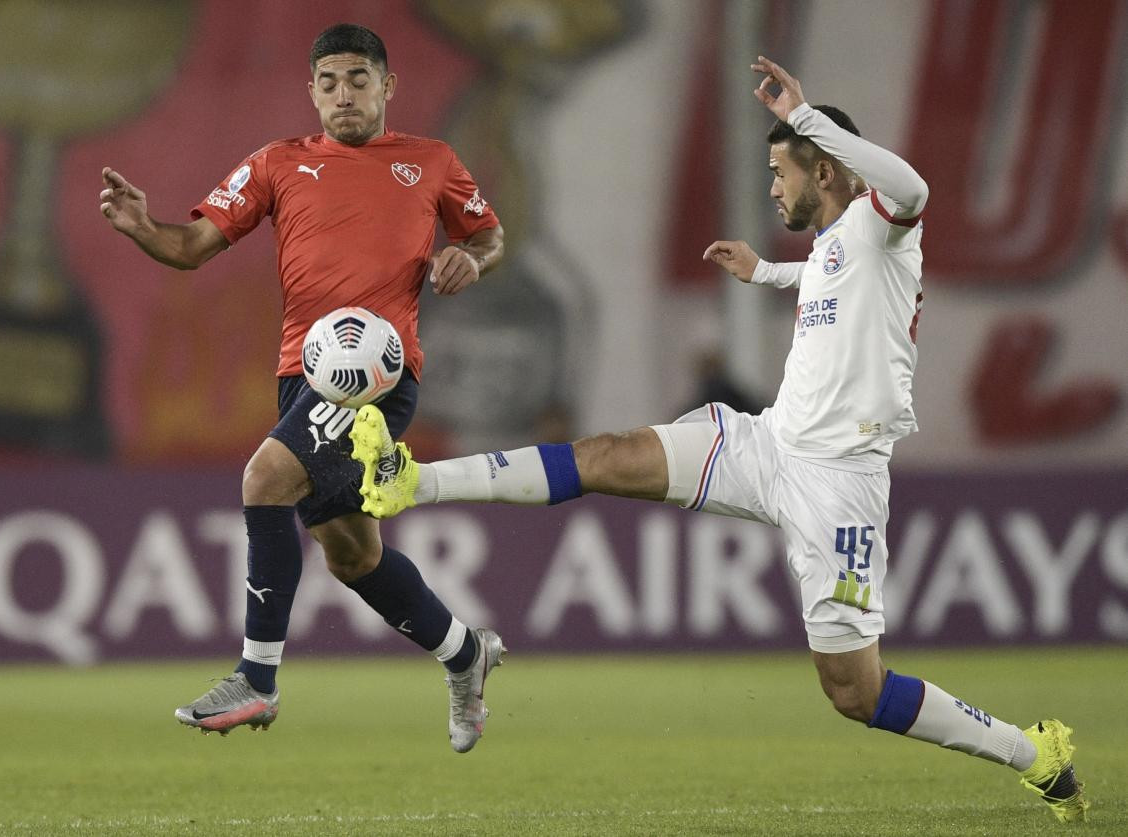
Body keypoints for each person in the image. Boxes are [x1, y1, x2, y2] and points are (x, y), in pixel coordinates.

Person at [349, 56, 1088, 820]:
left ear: (825, 168)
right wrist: (768, 270)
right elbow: (826, 276)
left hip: (840, 481)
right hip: (765, 445)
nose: (773, 186)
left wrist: (806, 118)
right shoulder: (839, 244)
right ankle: (414, 479)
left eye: (782, 170)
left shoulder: (882, 221)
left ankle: (1033, 751)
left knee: (853, 691)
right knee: (606, 457)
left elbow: (915, 190)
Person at [100, 24, 507, 754]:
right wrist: (141, 227)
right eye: (328, 83)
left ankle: (256, 678)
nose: (343, 95)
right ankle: (465, 654)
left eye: (358, 79)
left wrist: (472, 261)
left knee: (264, 477)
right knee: (352, 556)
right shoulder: (277, 165)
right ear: (311, 92)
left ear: (388, 86)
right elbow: (192, 245)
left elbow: (488, 234)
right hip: (300, 378)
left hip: (378, 377)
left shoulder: (432, 162)